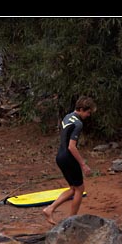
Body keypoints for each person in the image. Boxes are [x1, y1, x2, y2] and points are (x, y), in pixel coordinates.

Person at [42, 96, 97, 225]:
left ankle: (49, 209)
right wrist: (83, 164)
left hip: (60, 157)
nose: (88, 115)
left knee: (73, 188)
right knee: (80, 189)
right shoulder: (78, 124)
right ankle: (72, 220)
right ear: (82, 109)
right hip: (68, 157)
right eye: (88, 112)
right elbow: (71, 146)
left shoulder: (67, 117)